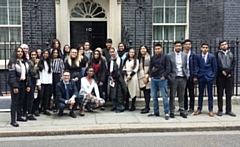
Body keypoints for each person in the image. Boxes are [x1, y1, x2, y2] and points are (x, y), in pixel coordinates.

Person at [8, 47, 31, 127]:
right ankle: (13, 120)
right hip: (16, 84)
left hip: (23, 84)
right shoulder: (12, 62)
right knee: (15, 102)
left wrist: (28, 85)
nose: (20, 53)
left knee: (21, 101)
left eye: (21, 51)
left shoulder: (25, 62)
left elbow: (28, 75)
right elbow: (12, 76)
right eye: (18, 51)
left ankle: (19, 116)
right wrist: (15, 86)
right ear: (16, 53)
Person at [147, 44, 171, 120]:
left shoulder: (166, 57)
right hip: (154, 79)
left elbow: (168, 68)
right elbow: (150, 67)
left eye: (158, 48)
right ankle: (156, 111)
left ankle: (166, 112)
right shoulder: (153, 58)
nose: (157, 50)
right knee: (154, 96)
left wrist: (164, 76)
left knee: (164, 96)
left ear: (161, 49)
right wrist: (150, 75)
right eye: (156, 49)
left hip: (162, 79)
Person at [193, 43, 217, 117]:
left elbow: (215, 68)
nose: (205, 49)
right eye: (203, 47)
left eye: (206, 47)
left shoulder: (212, 57)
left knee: (210, 94)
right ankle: (199, 109)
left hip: (209, 77)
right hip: (201, 77)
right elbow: (196, 66)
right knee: (200, 94)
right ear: (201, 48)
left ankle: (210, 110)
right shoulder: (198, 56)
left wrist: (212, 76)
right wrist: (196, 76)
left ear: (208, 49)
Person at [168, 41, 189, 118]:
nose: (178, 47)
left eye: (180, 46)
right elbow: (168, 67)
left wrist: (187, 75)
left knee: (182, 95)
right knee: (172, 95)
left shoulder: (184, 55)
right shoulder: (170, 55)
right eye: (177, 46)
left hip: (182, 77)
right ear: (174, 46)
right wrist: (170, 77)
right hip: (174, 77)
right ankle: (172, 111)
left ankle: (182, 110)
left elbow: (186, 66)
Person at [216, 40, 236, 117]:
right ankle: (220, 110)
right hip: (220, 76)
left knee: (228, 94)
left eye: (225, 44)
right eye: (222, 45)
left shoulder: (231, 53)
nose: (224, 46)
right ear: (220, 46)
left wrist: (228, 72)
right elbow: (217, 64)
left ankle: (228, 110)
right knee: (220, 94)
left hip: (229, 76)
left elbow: (233, 63)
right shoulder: (217, 54)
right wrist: (222, 71)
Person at [109, 47, 127, 113]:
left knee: (119, 93)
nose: (112, 53)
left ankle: (121, 107)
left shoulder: (120, 60)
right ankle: (114, 106)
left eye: (113, 52)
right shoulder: (110, 60)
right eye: (111, 52)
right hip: (112, 78)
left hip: (119, 79)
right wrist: (111, 77)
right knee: (113, 93)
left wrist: (116, 77)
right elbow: (109, 70)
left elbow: (120, 70)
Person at [183, 39, 197, 114]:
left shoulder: (193, 55)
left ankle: (191, 107)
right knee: (183, 93)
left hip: (191, 76)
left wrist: (195, 76)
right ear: (184, 45)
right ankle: (184, 107)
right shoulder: (182, 54)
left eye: (189, 44)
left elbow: (195, 66)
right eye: (186, 44)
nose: (188, 45)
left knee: (191, 93)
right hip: (183, 76)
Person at [38, 49, 52, 116]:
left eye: (47, 53)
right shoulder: (39, 62)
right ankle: (37, 108)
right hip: (41, 82)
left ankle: (45, 109)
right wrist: (38, 83)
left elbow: (50, 73)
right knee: (40, 96)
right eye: (44, 53)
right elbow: (38, 73)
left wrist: (50, 81)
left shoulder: (49, 62)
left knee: (46, 96)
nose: (45, 55)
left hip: (48, 82)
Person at [27, 50, 41, 120]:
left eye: (35, 55)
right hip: (30, 81)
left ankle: (33, 111)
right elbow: (32, 72)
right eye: (32, 55)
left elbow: (38, 73)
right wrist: (36, 65)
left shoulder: (37, 61)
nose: (33, 56)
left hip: (35, 81)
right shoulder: (29, 62)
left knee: (34, 97)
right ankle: (29, 113)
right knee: (31, 97)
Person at [137, 45, 151, 114]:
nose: (142, 50)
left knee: (147, 92)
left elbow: (151, 67)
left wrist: (147, 76)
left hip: (148, 77)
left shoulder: (150, 57)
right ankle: (146, 106)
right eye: (141, 49)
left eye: (144, 48)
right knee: (144, 93)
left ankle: (147, 107)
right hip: (141, 77)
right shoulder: (139, 58)